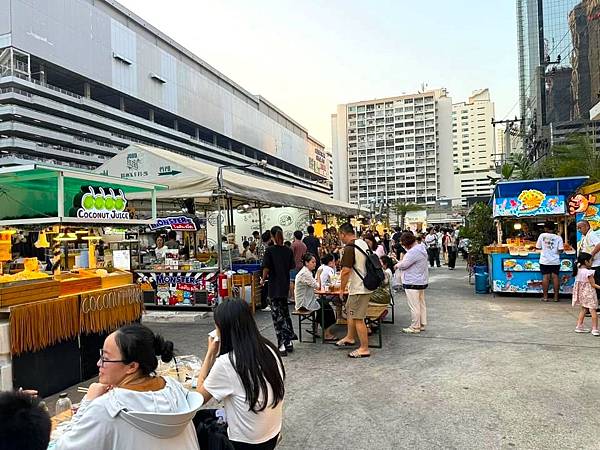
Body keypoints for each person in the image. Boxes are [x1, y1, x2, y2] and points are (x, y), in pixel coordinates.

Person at [54, 324, 202, 450]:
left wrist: (88, 402)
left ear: (132, 366)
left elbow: (64, 447)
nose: (99, 364)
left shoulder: (107, 408)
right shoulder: (174, 388)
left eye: (105, 358)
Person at [195, 299, 284, 450]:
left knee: (196, 421)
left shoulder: (227, 362)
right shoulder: (269, 348)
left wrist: (210, 353)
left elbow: (198, 398)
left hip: (245, 444)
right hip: (271, 435)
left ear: (224, 330)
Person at [335, 222, 374, 358]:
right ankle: (350, 337)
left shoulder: (350, 247)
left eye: (340, 235)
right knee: (350, 311)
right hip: (364, 285)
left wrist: (341, 289)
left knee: (358, 318)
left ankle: (364, 348)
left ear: (343, 234)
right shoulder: (362, 243)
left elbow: (345, 271)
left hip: (358, 288)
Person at [262, 227, 297, 356]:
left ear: (271, 236)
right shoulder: (288, 251)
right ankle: (289, 341)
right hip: (284, 285)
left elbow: (266, 268)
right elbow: (291, 267)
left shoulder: (269, 251)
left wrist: (262, 280)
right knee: (285, 313)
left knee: (277, 316)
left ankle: (281, 343)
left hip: (273, 286)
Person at [294, 253, 336, 341]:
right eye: (312, 262)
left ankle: (316, 328)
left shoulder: (306, 272)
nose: (314, 264)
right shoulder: (305, 273)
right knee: (326, 307)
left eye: (315, 262)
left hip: (307, 299)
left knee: (323, 304)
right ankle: (326, 333)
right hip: (303, 303)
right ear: (306, 263)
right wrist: (318, 275)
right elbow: (318, 286)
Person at [396, 232, 429, 334]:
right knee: (421, 304)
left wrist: (397, 265)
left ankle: (415, 326)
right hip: (421, 280)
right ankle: (422, 324)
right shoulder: (421, 248)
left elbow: (404, 265)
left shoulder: (412, 252)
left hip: (412, 281)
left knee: (414, 305)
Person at [572, 252, 600, 336]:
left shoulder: (577, 270)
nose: (592, 262)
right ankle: (595, 329)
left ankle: (579, 326)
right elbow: (593, 284)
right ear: (586, 261)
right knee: (593, 310)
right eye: (591, 260)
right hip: (589, 293)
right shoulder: (589, 272)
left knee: (584, 309)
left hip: (581, 294)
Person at [536, 222, 564, 302]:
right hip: (555, 261)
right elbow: (561, 250)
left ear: (546, 228)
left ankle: (545, 297)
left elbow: (538, 247)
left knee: (546, 277)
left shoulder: (542, 236)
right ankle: (556, 297)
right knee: (555, 278)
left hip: (545, 261)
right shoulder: (558, 237)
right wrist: (555, 252)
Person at [577, 220, 600, 305]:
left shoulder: (591, 235)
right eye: (577, 228)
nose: (579, 230)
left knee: (596, 285)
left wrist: (591, 255)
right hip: (591, 265)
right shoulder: (585, 236)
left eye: (580, 227)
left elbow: (599, 244)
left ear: (587, 226)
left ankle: (596, 307)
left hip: (595, 264)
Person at [290, 231, 307, 300]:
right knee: (300, 282)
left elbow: (290, 255)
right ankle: (300, 296)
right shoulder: (304, 245)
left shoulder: (293, 245)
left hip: (294, 265)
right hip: (302, 266)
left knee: (292, 281)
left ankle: (293, 297)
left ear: (294, 236)